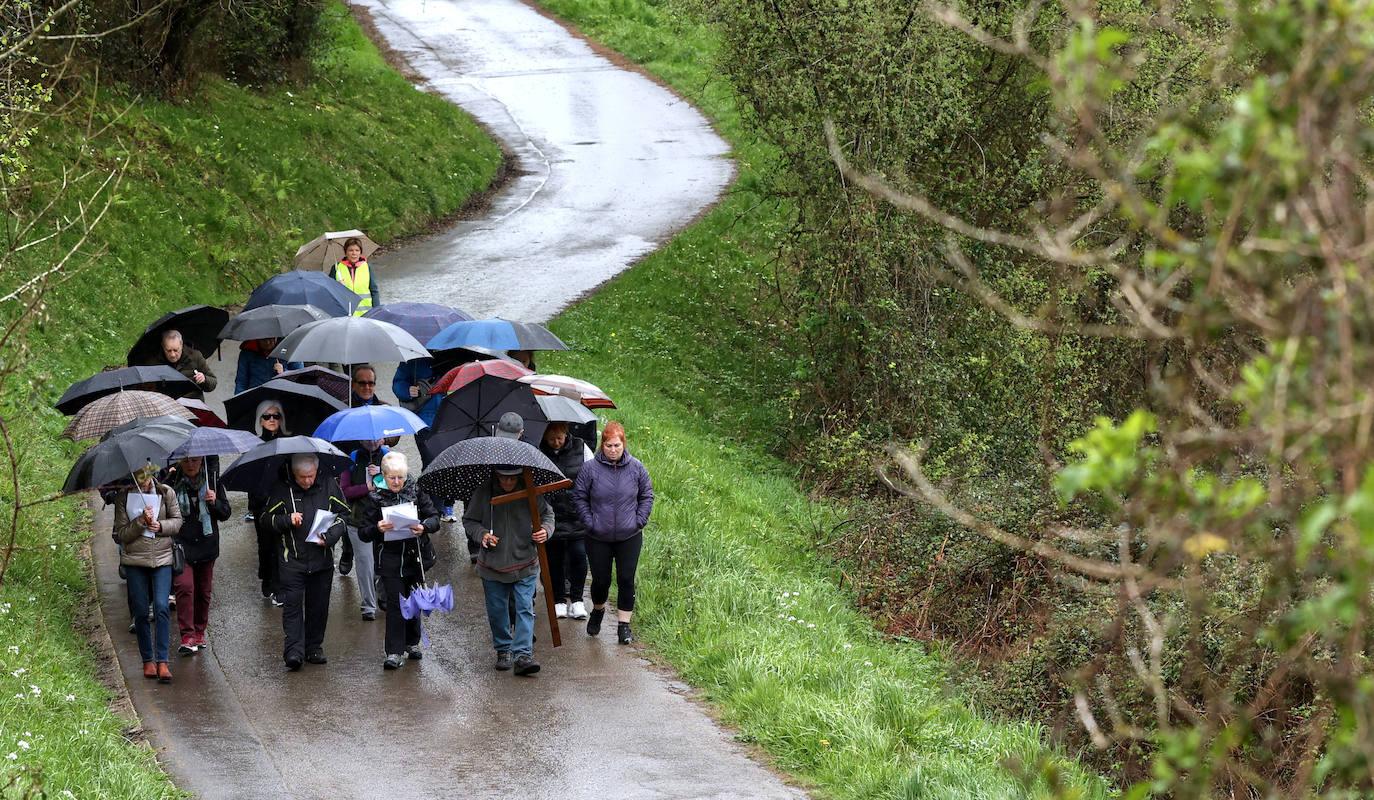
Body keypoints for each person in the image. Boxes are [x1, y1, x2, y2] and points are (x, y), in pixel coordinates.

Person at [464, 462, 553, 677]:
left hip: (526, 561)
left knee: (524, 606)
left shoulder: (530, 490)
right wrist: (483, 535)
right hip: (492, 566)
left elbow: (548, 516)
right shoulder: (484, 492)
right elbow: (470, 521)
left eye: (512, 478)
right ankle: (503, 649)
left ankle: (523, 654)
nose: (508, 482)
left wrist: (545, 531)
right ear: (496, 474)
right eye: (503, 477)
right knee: (498, 610)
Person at [263, 454, 349, 671]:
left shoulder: (329, 484)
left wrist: (330, 536)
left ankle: (314, 647)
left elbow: (343, 515)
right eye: (302, 477)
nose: (307, 481)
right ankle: (293, 651)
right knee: (292, 607)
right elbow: (265, 520)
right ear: (294, 473)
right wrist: (286, 520)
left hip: (322, 560)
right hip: (292, 560)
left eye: (310, 476)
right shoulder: (282, 490)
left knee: (318, 606)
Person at [572, 421, 654, 645]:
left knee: (626, 578)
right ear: (602, 445)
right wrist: (590, 523)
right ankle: (598, 610)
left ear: (624, 444)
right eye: (609, 446)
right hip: (598, 536)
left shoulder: (636, 468)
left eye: (617, 445)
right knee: (601, 580)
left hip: (629, 535)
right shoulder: (590, 469)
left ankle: (623, 626)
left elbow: (647, 495)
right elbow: (579, 496)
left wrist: (639, 520)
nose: (613, 450)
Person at [357, 452, 441, 670]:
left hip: (415, 556)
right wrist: (377, 528)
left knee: (413, 602)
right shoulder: (374, 499)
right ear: (383, 476)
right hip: (390, 560)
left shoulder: (416, 491)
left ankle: (412, 643)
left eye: (400, 477)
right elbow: (363, 532)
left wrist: (423, 526)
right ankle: (393, 651)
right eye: (392, 477)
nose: (397, 482)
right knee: (395, 604)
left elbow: (434, 517)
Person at [114, 465, 184, 684]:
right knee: (142, 611)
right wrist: (140, 522)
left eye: (147, 476)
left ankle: (163, 660)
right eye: (139, 476)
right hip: (135, 560)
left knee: (162, 606)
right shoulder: (123, 497)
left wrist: (160, 526)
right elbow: (121, 534)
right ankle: (148, 659)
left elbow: (178, 521)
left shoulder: (166, 492)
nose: (144, 481)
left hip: (162, 558)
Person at [165, 456, 231, 655]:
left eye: (195, 461)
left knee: (203, 591)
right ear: (180, 463)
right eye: (186, 462)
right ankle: (187, 635)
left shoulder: (212, 480)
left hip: (206, 545)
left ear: (201, 461)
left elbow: (225, 513)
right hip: (181, 545)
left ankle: (200, 630)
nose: (191, 465)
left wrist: (214, 502)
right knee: (184, 587)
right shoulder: (170, 485)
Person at [540, 422, 590, 620]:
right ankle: (558, 600)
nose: (556, 443)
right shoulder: (539, 451)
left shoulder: (581, 447)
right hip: (553, 514)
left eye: (559, 438)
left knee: (579, 555)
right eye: (551, 439)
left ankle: (577, 600)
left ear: (566, 434)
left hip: (576, 513)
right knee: (554, 559)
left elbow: (591, 474)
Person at [395, 356, 455, 521]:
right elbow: (398, 381)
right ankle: (433, 507)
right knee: (431, 461)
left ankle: (446, 502)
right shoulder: (412, 360)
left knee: (448, 461)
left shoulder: (453, 356)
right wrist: (407, 390)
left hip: (447, 418)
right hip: (422, 421)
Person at [337, 438, 385, 620]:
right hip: (358, 520)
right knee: (365, 563)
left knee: (381, 563)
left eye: (377, 437)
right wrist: (366, 487)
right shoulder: (353, 458)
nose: (372, 441)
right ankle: (368, 607)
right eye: (367, 438)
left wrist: (382, 473)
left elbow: (401, 484)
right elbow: (344, 490)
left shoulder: (390, 457)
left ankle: (382, 595)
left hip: (384, 521)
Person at [250, 400, 289, 605]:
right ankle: (266, 577)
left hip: (282, 501)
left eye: (276, 416)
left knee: (280, 544)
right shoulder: (253, 445)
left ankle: (278, 585)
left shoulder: (288, 443)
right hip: (261, 502)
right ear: (260, 420)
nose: (272, 420)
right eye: (267, 416)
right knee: (265, 545)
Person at [147, 330, 217, 399]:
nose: (173, 355)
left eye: (175, 350)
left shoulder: (195, 356)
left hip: (193, 402)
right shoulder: (154, 362)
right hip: (168, 403)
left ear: (181, 344)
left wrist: (204, 379)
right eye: (168, 350)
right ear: (162, 345)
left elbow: (213, 382)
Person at [328, 238, 380, 316]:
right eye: (351, 250)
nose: (354, 253)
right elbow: (329, 291)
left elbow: (374, 291)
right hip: (344, 314)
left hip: (366, 314)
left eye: (357, 250)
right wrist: (337, 286)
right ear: (345, 252)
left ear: (360, 253)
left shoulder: (366, 267)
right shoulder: (336, 268)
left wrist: (377, 311)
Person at [234, 337, 302, 394]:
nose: (268, 342)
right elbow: (241, 382)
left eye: (271, 338)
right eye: (263, 339)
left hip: (282, 395)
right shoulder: (248, 353)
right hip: (256, 396)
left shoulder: (289, 348)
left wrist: (284, 373)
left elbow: (300, 378)